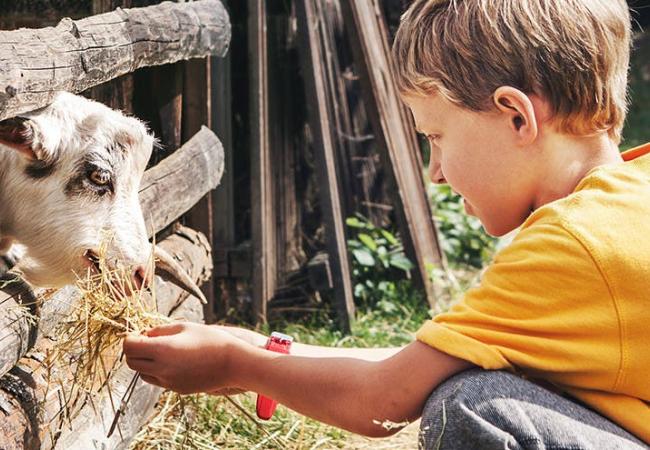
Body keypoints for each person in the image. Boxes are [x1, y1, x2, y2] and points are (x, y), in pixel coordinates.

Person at [123, 0, 650, 448]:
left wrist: (236, 365)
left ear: (516, 116)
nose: (436, 173)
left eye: (437, 137)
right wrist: (260, 350)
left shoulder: (576, 244)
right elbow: (424, 363)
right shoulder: (627, 201)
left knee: (468, 408)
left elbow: (385, 397)